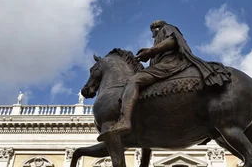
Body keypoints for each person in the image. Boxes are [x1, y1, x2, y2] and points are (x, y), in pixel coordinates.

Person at [98, 20, 232, 141]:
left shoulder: (166, 28)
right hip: (166, 64)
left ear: (158, 27)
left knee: (134, 81)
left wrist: (151, 51)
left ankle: (124, 121)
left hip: (171, 63)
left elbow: (173, 40)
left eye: (153, 32)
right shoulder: (159, 40)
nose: (152, 36)